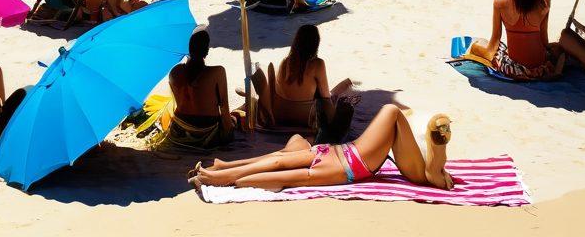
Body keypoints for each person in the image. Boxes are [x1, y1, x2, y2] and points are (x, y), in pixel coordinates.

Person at [189, 105, 454, 192]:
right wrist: (234, 182)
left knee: (284, 155)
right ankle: (225, 171)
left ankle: (225, 170)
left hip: (343, 153)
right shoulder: (320, 172)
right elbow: (279, 178)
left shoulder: (315, 164)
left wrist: (233, 179)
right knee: (392, 111)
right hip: (351, 157)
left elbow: (278, 172)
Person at [469, 0, 559, 80]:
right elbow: (544, 42)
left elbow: (492, 47)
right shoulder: (542, 4)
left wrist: (475, 48)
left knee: (486, 46)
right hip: (540, 66)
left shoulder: (499, 3)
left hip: (516, 69)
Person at [251, 24, 354, 131]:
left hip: (280, 115)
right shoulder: (317, 64)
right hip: (304, 118)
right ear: (315, 43)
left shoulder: (285, 62)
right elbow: (325, 97)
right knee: (335, 95)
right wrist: (333, 120)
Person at [164, 30, 236, 147]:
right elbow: (223, 107)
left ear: (189, 48)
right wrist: (229, 134)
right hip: (206, 133)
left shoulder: (175, 72)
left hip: (179, 131)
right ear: (206, 51)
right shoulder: (217, 72)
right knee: (235, 118)